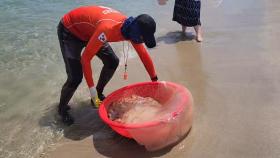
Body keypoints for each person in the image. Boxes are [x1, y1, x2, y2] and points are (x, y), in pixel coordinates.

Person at [57, 5, 158, 125]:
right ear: (136, 32)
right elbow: (85, 59)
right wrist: (92, 92)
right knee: (75, 77)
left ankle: (98, 94)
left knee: (112, 62)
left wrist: (154, 80)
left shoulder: (130, 29)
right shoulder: (108, 29)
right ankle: (62, 109)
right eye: (142, 38)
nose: (141, 42)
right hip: (70, 31)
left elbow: (143, 54)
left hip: (92, 31)